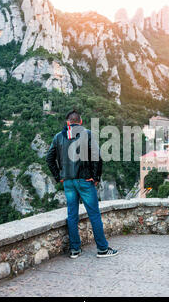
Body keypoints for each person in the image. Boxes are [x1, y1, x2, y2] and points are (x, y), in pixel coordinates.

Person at [46, 110, 119, 259]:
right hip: (85, 181)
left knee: (72, 215)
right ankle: (102, 249)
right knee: (94, 214)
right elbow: (97, 156)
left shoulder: (58, 137)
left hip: (68, 182)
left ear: (68, 123)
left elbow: (49, 158)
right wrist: (95, 176)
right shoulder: (87, 134)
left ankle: (74, 249)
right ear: (80, 122)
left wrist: (58, 175)